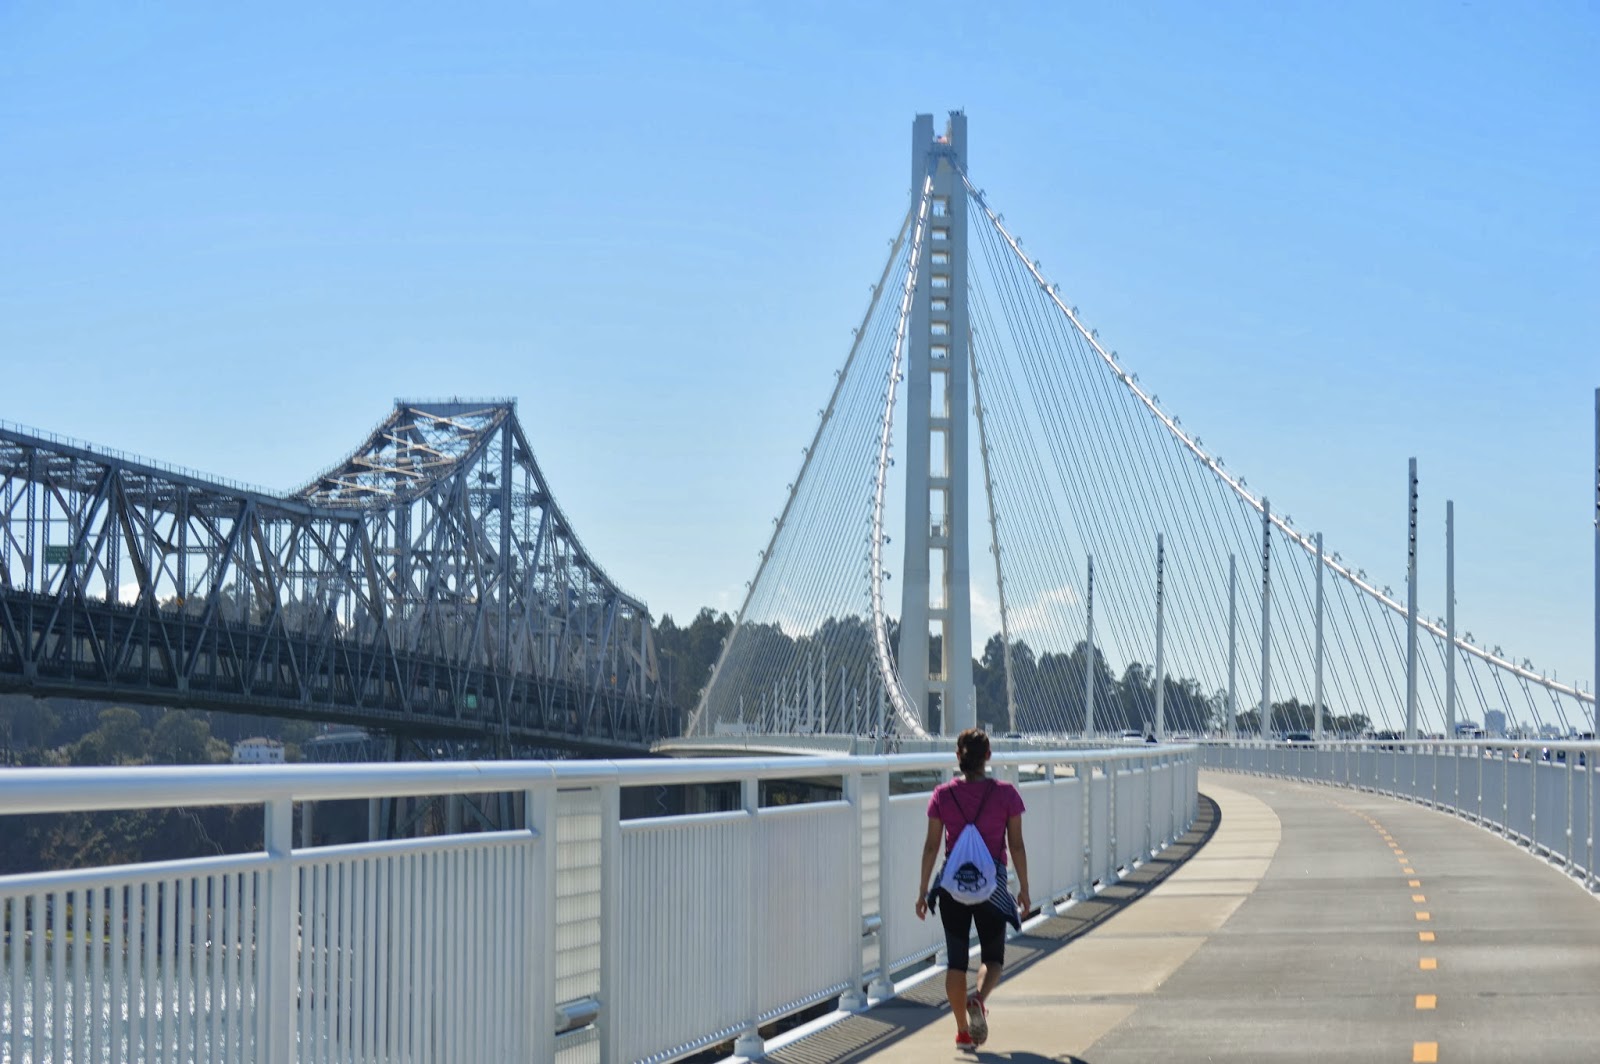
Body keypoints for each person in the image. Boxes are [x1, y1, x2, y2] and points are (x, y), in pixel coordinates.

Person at [915, 728, 1030, 1048]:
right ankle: (978, 998)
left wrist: (923, 891)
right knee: (993, 958)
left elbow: (930, 847)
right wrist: (1023, 888)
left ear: (958, 757)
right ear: (988, 757)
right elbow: (1016, 846)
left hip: (953, 887)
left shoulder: (942, 795)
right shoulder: (1007, 794)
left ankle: (963, 1031)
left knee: (955, 961)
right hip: (991, 887)